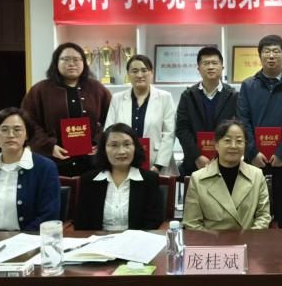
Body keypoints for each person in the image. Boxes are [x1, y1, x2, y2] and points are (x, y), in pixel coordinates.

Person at [238, 35, 282, 228]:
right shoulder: (248, 85)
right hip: (254, 160)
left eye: (276, 51)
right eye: (266, 51)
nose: (271, 56)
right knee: (255, 210)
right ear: (260, 55)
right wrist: (252, 152)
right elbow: (243, 121)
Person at [0, 107, 60, 231]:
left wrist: (20, 239)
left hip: (29, 240)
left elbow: (48, 215)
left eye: (17, 129)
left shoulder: (45, 167)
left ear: (27, 135)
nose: (11, 135)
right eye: (4, 130)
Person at [22, 42, 112, 176]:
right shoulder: (40, 90)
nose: (71, 64)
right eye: (65, 59)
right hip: (52, 160)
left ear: (84, 62)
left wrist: (101, 142)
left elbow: (112, 118)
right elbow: (28, 122)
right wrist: (48, 146)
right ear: (56, 62)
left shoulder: (97, 89)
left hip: (91, 161)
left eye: (76, 59)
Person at [184, 119, 271, 230]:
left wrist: (249, 238)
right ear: (216, 144)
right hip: (211, 240)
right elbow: (192, 223)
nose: (233, 146)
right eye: (227, 140)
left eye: (239, 141)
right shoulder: (197, 178)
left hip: (248, 238)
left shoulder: (257, 175)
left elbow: (263, 217)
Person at [74, 123, 163, 230]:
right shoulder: (89, 180)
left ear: (135, 147)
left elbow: (153, 222)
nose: (121, 151)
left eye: (127, 144)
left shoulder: (149, 180)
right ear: (103, 149)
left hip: (137, 239)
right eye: (114, 145)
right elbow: (81, 223)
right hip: (98, 239)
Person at [104, 54, 176, 174]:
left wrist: (158, 165)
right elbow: (109, 131)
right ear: (128, 74)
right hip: (123, 162)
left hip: (156, 163)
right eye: (134, 71)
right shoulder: (117, 99)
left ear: (151, 73)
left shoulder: (165, 97)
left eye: (144, 70)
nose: (139, 75)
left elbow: (169, 134)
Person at [175, 47, 238, 177]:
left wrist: (222, 156)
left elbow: (238, 129)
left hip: (226, 162)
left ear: (222, 67)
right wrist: (197, 156)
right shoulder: (188, 96)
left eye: (214, 63)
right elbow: (182, 129)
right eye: (206, 63)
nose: (210, 67)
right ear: (198, 68)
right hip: (194, 163)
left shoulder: (234, 96)